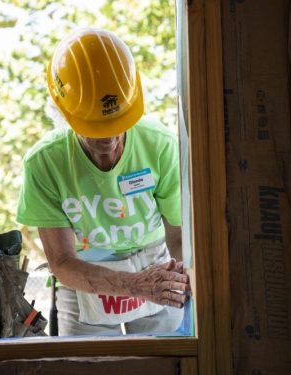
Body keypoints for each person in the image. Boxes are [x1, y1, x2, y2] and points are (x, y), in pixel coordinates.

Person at [16, 28, 190, 336]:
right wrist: (134, 286)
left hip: (154, 262)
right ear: (64, 114)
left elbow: (178, 234)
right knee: (90, 364)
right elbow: (63, 262)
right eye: (94, 127)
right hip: (83, 275)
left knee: (164, 357)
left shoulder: (159, 145)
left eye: (117, 122)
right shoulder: (45, 162)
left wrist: (187, 275)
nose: (108, 140)